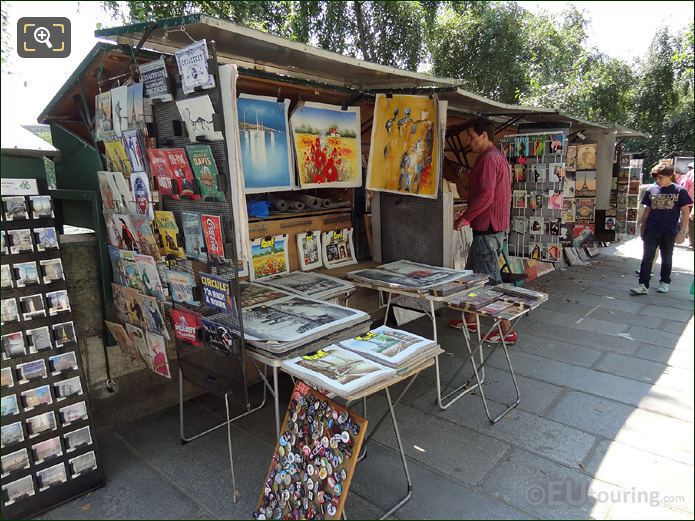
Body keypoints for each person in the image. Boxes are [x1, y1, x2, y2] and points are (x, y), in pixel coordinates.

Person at [449, 118, 515, 344]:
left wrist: (465, 218)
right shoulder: (497, 158)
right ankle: (470, 319)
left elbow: (486, 196)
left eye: (471, 136)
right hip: (493, 229)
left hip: (487, 229)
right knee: (473, 278)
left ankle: (507, 329)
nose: (469, 141)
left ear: (484, 135)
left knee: (491, 283)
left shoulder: (488, 159)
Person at [631, 163, 693, 295]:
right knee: (647, 257)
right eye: (656, 178)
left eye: (661, 178)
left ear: (670, 176)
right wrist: (643, 226)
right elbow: (647, 209)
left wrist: (683, 231)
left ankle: (664, 282)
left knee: (667, 257)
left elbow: (685, 212)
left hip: (669, 231)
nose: (658, 180)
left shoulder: (679, 191)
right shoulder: (651, 190)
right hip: (652, 229)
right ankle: (643, 284)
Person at [678, 162, 694, 247]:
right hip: (690, 202)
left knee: (691, 222)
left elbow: (684, 188)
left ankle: (692, 243)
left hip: (690, 202)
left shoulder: (689, 174)